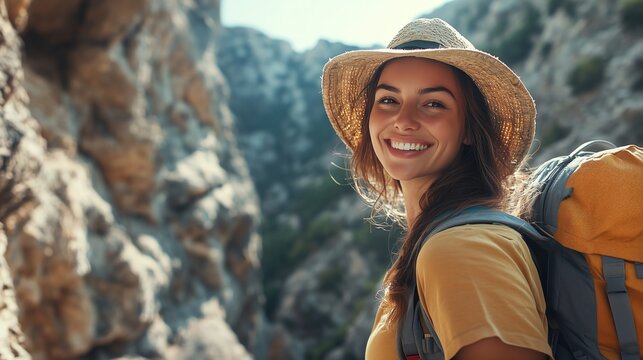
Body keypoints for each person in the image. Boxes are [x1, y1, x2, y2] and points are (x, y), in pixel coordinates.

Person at [321, 18, 553, 359]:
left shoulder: (459, 249)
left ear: (469, 130)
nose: (404, 119)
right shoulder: (439, 243)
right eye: (388, 100)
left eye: (434, 104)